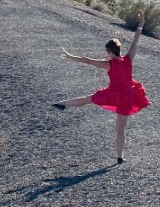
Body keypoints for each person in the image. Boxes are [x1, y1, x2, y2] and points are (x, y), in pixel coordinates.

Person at [55, 10, 150, 164]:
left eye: (106, 52)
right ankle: (120, 157)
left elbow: (87, 60)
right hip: (127, 96)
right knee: (120, 130)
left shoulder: (109, 64)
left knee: (89, 99)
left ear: (110, 52)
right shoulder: (128, 59)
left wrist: (70, 56)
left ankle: (63, 104)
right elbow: (135, 42)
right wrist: (141, 24)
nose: (106, 54)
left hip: (113, 94)